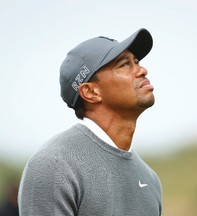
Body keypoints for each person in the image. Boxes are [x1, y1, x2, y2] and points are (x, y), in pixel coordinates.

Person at [18, 28, 162, 216]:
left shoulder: (150, 179)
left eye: (136, 62)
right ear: (91, 92)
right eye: (124, 64)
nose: (142, 70)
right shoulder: (54, 165)